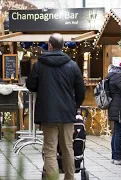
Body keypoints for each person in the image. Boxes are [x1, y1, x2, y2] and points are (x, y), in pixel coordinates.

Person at [26, 33, 85, 180]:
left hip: (47, 113)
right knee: (68, 148)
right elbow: (80, 90)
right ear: (63, 45)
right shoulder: (72, 65)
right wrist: (74, 105)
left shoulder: (39, 65)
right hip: (67, 113)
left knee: (50, 150)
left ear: (49, 45)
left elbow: (31, 85)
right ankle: (70, 178)